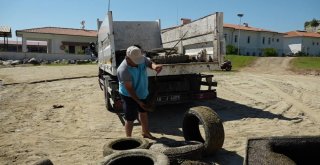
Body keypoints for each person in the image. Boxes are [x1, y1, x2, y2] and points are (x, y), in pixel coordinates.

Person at [117, 45, 162, 139]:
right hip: (128, 95)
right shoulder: (123, 70)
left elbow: (149, 63)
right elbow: (129, 89)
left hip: (142, 92)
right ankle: (128, 138)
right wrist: (138, 102)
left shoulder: (140, 58)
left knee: (143, 112)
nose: (138, 63)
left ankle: (145, 132)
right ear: (127, 58)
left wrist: (155, 67)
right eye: (135, 61)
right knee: (130, 118)